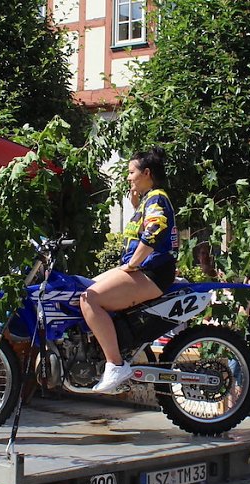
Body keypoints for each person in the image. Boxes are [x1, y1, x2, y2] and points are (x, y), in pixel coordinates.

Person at [80, 147, 177, 394]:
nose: (128, 177)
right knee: (82, 287)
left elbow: (154, 231)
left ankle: (115, 364)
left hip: (151, 272)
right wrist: (135, 205)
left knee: (89, 299)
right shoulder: (147, 200)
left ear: (146, 172)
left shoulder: (156, 198)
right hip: (142, 270)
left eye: (131, 172)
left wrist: (133, 264)